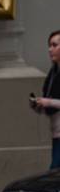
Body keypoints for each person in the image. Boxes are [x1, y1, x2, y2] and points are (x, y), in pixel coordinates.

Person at [32, 30, 60, 170]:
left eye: (54, 45)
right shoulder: (53, 72)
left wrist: (47, 102)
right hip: (56, 132)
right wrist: (39, 105)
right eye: (49, 45)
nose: (50, 49)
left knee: (54, 170)